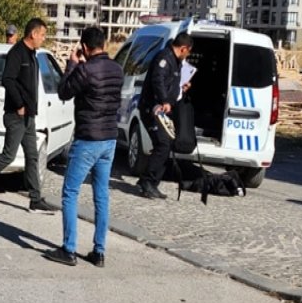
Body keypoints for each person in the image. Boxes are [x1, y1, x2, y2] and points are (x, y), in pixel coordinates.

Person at [43, 27, 125, 267]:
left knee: (70, 193)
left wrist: (71, 65)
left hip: (88, 137)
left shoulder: (85, 70)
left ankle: (69, 249)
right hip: (109, 139)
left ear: (85, 47)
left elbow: (64, 92)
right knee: (101, 196)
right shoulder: (117, 70)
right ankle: (99, 251)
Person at [0, 17, 52, 214]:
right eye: (42, 35)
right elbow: (8, 79)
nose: (43, 39)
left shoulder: (32, 55)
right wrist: (20, 103)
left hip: (29, 116)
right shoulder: (18, 53)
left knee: (32, 155)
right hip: (16, 114)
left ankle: (35, 199)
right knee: (8, 155)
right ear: (32, 34)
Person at [135, 32, 193, 200]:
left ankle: (151, 183)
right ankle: (147, 181)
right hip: (152, 109)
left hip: (163, 111)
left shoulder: (176, 62)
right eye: (188, 52)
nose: (187, 55)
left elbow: (171, 84)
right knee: (162, 144)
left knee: (165, 144)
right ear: (183, 49)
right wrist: (164, 101)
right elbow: (157, 81)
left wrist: (182, 88)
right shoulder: (164, 59)